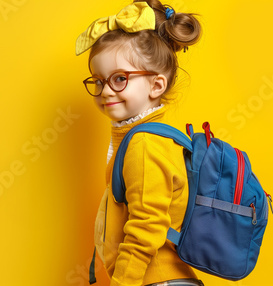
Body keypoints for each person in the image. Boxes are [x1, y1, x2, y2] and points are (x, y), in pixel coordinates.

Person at [75, 1, 204, 285]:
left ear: (156, 85)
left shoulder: (146, 144)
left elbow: (147, 226)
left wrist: (122, 282)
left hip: (159, 281)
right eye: (98, 80)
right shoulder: (145, 137)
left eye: (120, 79)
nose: (105, 90)